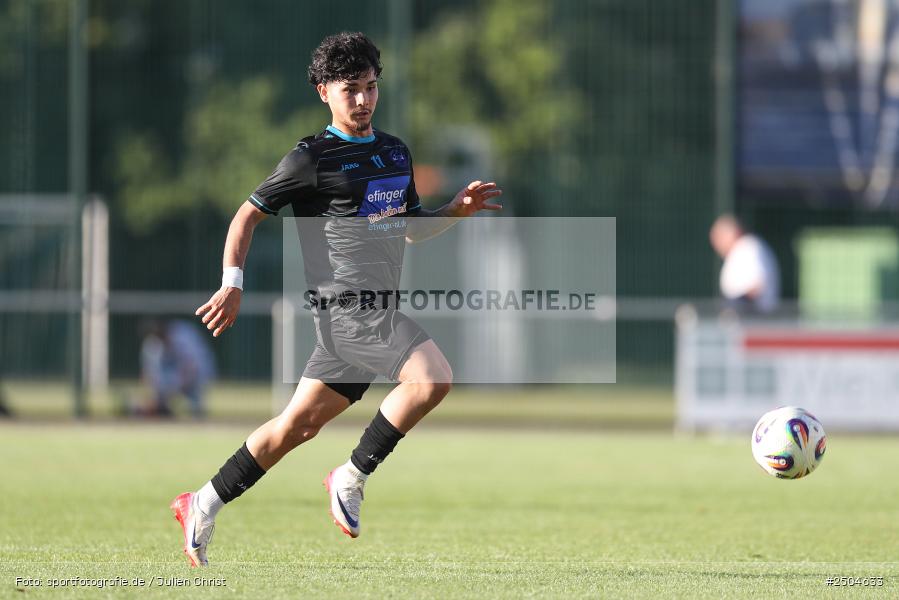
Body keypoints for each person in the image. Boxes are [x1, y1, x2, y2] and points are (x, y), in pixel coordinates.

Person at [170, 32, 502, 567]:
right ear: (325, 91)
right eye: (351, 89)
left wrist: (454, 212)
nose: (365, 100)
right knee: (432, 377)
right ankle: (351, 474)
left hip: (369, 316)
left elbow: (409, 229)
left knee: (295, 427)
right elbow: (247, 214)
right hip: (350, 313)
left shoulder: (395, 152)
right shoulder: (309, 158)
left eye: (371, 87)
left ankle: (200, 502)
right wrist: (232, 282)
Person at [140, 319, 216, 418]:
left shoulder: (182, 335)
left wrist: (175, 388)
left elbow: (193, 367)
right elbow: (150, 373)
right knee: (161, 385)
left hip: (197, 374)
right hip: (174, 377)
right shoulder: (153, 345)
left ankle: (196, 410)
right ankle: (162, 410)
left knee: (194, 400)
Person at [709, 214, 780, 314]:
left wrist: (734, 308)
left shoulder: (748, 247)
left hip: (754, 318)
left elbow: (756, 287)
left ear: (734, 233)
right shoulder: (744, 248)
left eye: (719, 238)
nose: (717, 245)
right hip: (746, 316)